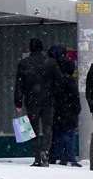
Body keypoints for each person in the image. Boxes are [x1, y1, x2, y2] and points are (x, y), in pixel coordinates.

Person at [14, 38, 62, 167]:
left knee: (33, 129)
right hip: (48, 100)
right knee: (48, 128)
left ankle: (36, 157)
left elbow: (19, 84)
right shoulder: (51, 63)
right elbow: (58, 82)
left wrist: (18, 102)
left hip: (31, 100)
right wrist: (55, 96)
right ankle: (45, 152)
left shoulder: (24, 63)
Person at [48, 45, 82, 166]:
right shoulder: (70, 80)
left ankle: (58, 156)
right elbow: (75, 97)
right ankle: (71, 158)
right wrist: (76, 110)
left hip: (56, 111)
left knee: (57, 135)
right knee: (69, 135)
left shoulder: (54, 79)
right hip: (69, 112)